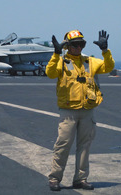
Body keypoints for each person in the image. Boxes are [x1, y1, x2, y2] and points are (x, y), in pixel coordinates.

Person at [46, 30, 115, 191]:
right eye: (74, 44)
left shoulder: (90, 61)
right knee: (62, 146)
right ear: (67, 47)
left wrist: (105, 51)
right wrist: (56, 54)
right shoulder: (61, 62)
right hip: (68, 111)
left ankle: (81, 179)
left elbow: (108, 67)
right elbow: (50, 73)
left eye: (81, 44)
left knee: (84, 147)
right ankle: (54, 179)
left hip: (87, 111)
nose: (78, 47)